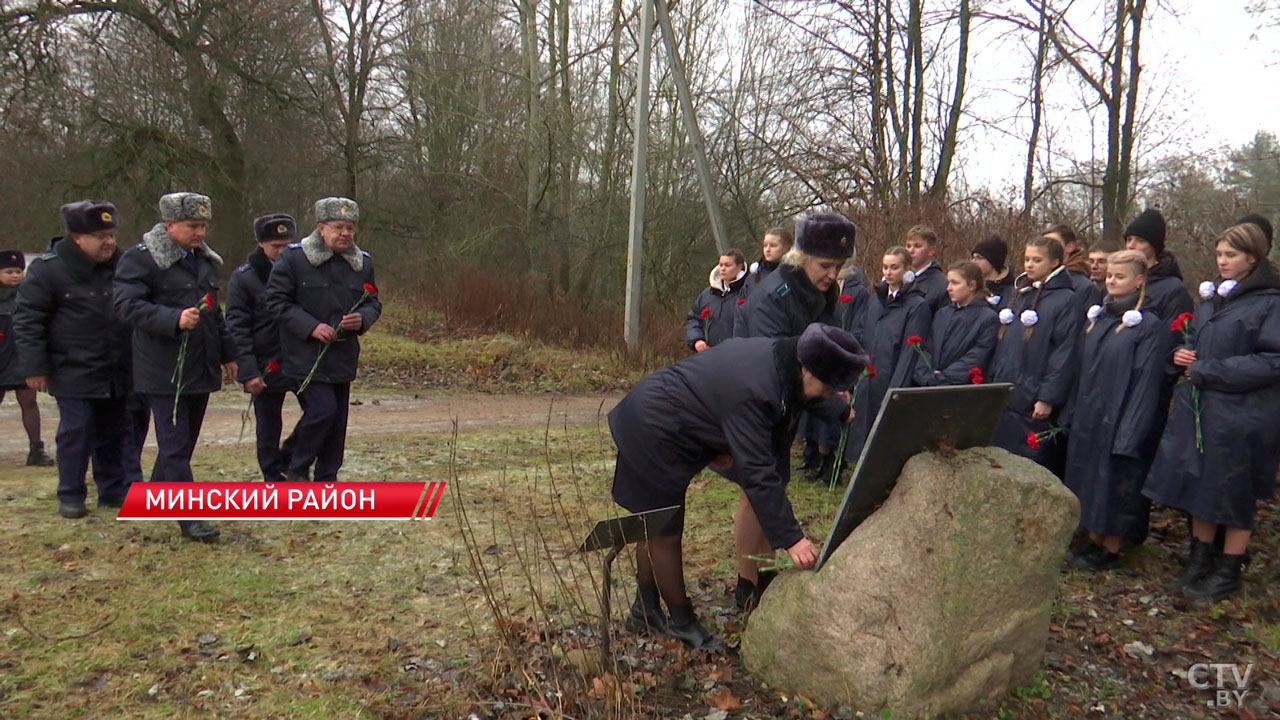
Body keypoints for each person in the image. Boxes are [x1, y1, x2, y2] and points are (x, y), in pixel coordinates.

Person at [609, 323, 869, 649]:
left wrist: (838, 410)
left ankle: (644, 610)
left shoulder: (785, 361)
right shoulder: (756, 389)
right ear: (809, 369)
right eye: (830, 388)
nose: (830, 393)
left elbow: (798, 395)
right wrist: (792, 539)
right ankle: (681, 622)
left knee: (653, 523)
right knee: (664, 528)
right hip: (654, 427)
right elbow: (759, 472)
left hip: (669, 420)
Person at [1143, 224, 1280, 600]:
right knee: (1199, 483)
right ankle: (1199, 560)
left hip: (1246, 414)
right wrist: (1181, 355)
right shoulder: (1212, 302)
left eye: (1231, 255)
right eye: (1219, 254)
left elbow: (1272, 361)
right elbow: (1198, 347)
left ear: (1252, 258)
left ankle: (1228, 569)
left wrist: (1207, 370)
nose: (1222, 261)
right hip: (1203, 408)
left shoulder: (1271, 302)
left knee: (1236, 489)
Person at [729, 212, 855, 608]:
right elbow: (779, 369)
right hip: (754, 399)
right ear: (802, 258)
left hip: (784, 404)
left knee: (775, 485)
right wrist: (831, 406)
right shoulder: (775, 295)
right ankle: (747, 585)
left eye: (838, 267)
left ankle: (761, 573)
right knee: (757, 489)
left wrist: (839, 384)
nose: (832, 274)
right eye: (824, 265)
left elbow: (826, 350)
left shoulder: (821, 294)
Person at [114, 192, 236, 543]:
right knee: (174, 444)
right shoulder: (141, 261)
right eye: (192, 226)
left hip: (200, 366)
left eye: (203, 226)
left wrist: (228, 354)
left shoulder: (205, 261)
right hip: (162, 369)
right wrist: (172, 318)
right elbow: (126, 306)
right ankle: (190, 519)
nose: (200, 233)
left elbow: (215, 313)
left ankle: (154, 495)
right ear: (169, 225)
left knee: (185, 441)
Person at [14, 201, 141, 518]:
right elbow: (29, 321)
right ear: (77, 238)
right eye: (100, 236)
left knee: (116, 430)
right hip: (71, 367)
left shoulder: (124, 265)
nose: (109, 242)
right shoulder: (48, 270)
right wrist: (34, 367)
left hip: (117, 366)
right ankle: (70, 493)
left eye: (111, 234)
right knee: (77, 430)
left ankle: (114, 490)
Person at [1063, 250, 1172, 570]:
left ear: (1139, 281)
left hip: (1121, 415)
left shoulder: (1148, 326)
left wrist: (1131, 431)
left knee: (1114, 481)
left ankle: (1111, 547)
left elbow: (1146, 382)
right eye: (1109, 275)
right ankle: (1094, 539)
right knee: (1092, 479)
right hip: (1091, 413)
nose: (1111, 280)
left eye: (1119, 276)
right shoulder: (1099, 320)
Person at [265, 197, 381, 483]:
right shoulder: (294, 259)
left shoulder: (362, 263)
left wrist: (363, 319)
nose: (345, 233)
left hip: (342, 355)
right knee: (321, 411)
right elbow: (276, 302)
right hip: (304, 356)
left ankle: (327, 477)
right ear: (320, 228)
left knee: (336, 421)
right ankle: (295, 463)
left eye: (350, 228)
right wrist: (311, 326)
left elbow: (373, 302)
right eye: (338, 227)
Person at [989, 237, 1081, 476]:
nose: (1029, 265)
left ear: (1055, 263)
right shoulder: (1022, 294)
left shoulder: (1066, 300)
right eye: (1027, 259)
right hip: (1009, 390)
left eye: (1037, 260)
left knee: (1029, 464)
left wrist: (1048, 396)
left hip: (1033, 396)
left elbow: (1065, 352)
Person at [227, 214, 299, 482]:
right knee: (268, 423)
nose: (281, 252)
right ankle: (272, 473)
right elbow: (237, 327)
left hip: (299, 356)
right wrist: (248, 371)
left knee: (321, 411)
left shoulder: (299, 271)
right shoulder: (244, 278)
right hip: (265, 360)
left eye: (286, 245)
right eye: (275, 246)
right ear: (261, 244)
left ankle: (290, 457)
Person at [0, 250, 54, 466]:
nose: (14, 275)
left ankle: (36, 449)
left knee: (29, 402)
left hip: (23, 360)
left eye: (18, 271)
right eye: (8, 271)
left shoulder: (29, 295)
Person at [911, 261, 998, 386]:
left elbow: (977, 357)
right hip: (931, 385)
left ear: (972, 285)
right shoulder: (942, 313)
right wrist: (925, 375)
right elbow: (927, 348)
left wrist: (942, 378)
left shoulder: (988, 318)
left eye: (955, 283)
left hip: (962, 390)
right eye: (949, 282)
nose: (949, 288)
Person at [1123, 209, 1193, 328]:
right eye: (1129, 239)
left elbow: (1175, 334)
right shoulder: (1119, 280)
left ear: (1154, 245)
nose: (1131, 246)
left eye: (1140, 241)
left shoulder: (1172, 289)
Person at [685, 249, 747, 352]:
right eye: (721, 265)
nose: (722, 269)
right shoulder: (707, 295)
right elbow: (693, 319)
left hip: (741, 354)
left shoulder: (749, 290)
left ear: (739, 267)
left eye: (727, 265)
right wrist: (697, 340)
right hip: (711, 354)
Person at [1043, 223, 1095, 310]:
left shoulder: (1084, 286)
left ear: (1070, 247)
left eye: (1053, 244)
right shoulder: (1034, 281)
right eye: (1043, 243)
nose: (1046, 249)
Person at [904, 224, 948, 312]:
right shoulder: (898, 278)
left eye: (917, 246)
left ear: (931, 251)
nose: (911, 251)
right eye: (908, 246)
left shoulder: (941, 285)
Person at [971, 234, 1014, 309]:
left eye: (979, 258)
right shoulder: (971, 287)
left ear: (993, 261)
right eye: (973, 258)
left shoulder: (1010, 293)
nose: (974, 262)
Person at [1083, 244, 1114, 309]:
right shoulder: (1083, 289)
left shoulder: (1118, 294)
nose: (1094, 266)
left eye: (1101, 262)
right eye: (1091, 261)